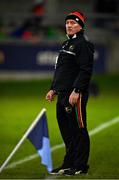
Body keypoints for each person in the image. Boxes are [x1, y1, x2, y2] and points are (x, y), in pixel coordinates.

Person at [46, 11, 94, 176]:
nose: (69, 25)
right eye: (67, 23)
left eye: (73, 23)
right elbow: (61, 70)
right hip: (62, 94)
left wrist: (77, 90)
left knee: (79, 129)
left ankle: (80, 165)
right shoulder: (67, 44)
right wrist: (53, 88)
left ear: (81, 26)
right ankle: (69, 162)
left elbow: (85, 70)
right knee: (66, 130)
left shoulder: (83, 44)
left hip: (75, 94)